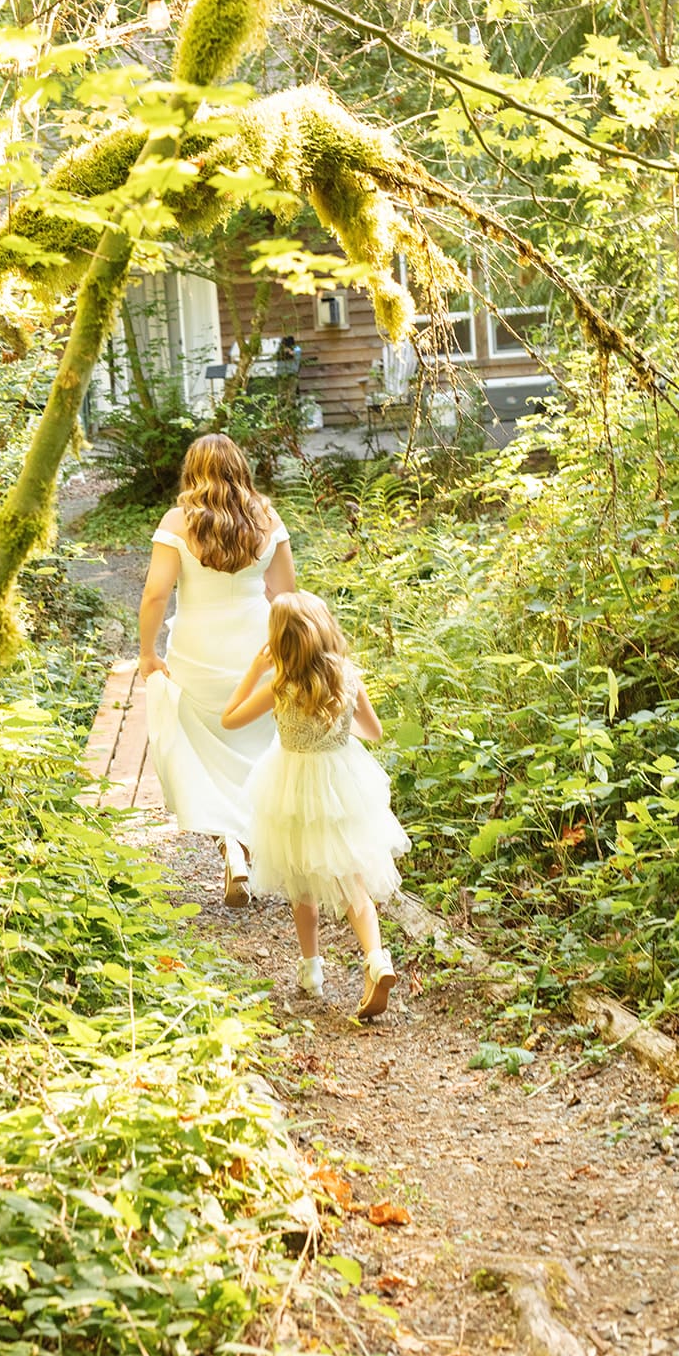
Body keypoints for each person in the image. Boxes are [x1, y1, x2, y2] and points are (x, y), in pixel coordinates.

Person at [221, 590, 409, 1016]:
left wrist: (254, 670)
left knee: (300, 880)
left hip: (291, 787)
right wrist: (336, 728)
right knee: (353, 881)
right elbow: (374, 733)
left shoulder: (280, 686)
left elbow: (229, 718)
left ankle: (312, 971)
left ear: (280, 642)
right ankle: (377, 960)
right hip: (343, 784)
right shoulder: (346, 676)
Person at [138, 433, 296, 907]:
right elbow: (286, 594)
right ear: (240, 468)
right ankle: (243, 844)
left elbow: (154, 594)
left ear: (194, 471)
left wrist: (148, 653)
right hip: (257, 652)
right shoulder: (267, 518)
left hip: (196, 651)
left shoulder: (177, 521)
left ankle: (230, 846)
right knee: (252, 749)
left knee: (203, 749)